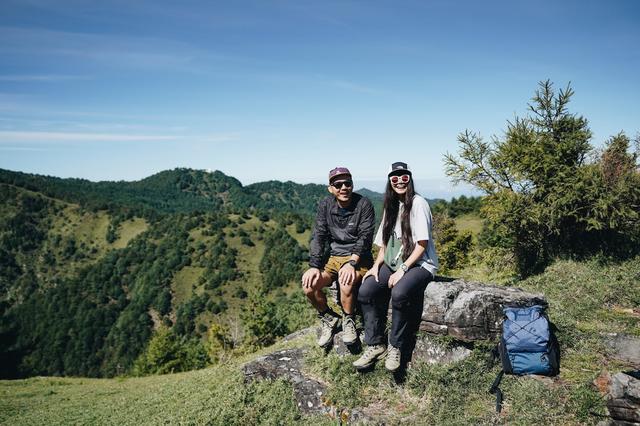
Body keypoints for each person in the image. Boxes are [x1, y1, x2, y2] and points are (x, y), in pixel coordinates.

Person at [353, 162, 439, 372]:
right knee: (366, 290)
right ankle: (375, 344)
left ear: (409, 179)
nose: (399, 181)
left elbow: (422, 245)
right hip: (394, 263)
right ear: (390, 182)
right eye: (395, 178)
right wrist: (375, 266)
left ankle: (396, 346)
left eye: (404, 177)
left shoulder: (418, 204)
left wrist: (403, 270)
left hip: (420, 264)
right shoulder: (392, 206)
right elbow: (385, 242)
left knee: (400, 293)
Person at [301, 167, 375, 348]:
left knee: (346, 281)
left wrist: (351, 263)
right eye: (338, 184)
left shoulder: (363, 204)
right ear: (331, 188)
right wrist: (314, 265)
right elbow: (319, 236)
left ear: (352, 185)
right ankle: (328, 317)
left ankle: (348, 320)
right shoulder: (326, 205)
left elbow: (365, 237)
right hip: (333, 259)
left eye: (347, 183)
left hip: (359, 258)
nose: (343, 188)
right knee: (309, 287)